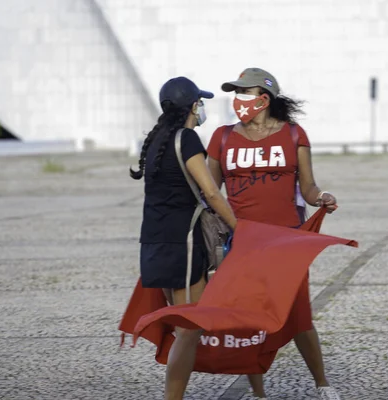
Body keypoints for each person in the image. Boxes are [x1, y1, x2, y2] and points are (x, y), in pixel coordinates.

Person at [206, 67, 341, 400]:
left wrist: (321, 197)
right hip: (241, 241)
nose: (237, 100)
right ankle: (258, 393)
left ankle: (322, 384)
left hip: (286, 240)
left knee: (298, 315)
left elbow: (307, 186)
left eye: (244, 93)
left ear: (263, 98)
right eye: (235, 93)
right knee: (249, 319)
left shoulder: (294, 135)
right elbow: (210, 191)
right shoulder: (222, 137)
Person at [129, 76, 237, 400]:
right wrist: (239, 227)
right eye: (200, 102)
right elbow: (211, 193)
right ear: (193, 105)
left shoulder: (157, 140)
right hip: (184, 245)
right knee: (189, 331)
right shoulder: (187, 139)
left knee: (185, 328)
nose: (201, 108)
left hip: (154, 244)